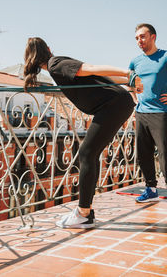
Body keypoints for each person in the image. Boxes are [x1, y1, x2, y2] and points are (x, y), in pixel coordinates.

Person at [24, 37, 142, 228]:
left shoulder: (56, 65)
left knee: (86, 153)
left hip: (113, 105)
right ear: (48, 48)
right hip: (116, 104)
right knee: (90, 154)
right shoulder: (58, 65)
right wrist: (127, 80)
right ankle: (86, 212)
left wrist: (127, 73)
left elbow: (92, 69)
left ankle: (83, 213)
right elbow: (98, 79)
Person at [129, 23, 167, 203]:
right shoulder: (135, 61)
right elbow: (128, 81)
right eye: (137, 38)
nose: (139, 41)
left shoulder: (165, 57)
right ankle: (151, 190)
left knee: (165, 154)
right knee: (143, 153)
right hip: (141, 113)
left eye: (142, 36)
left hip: (162, 112)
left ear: (153, 37)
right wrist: (134, 98)